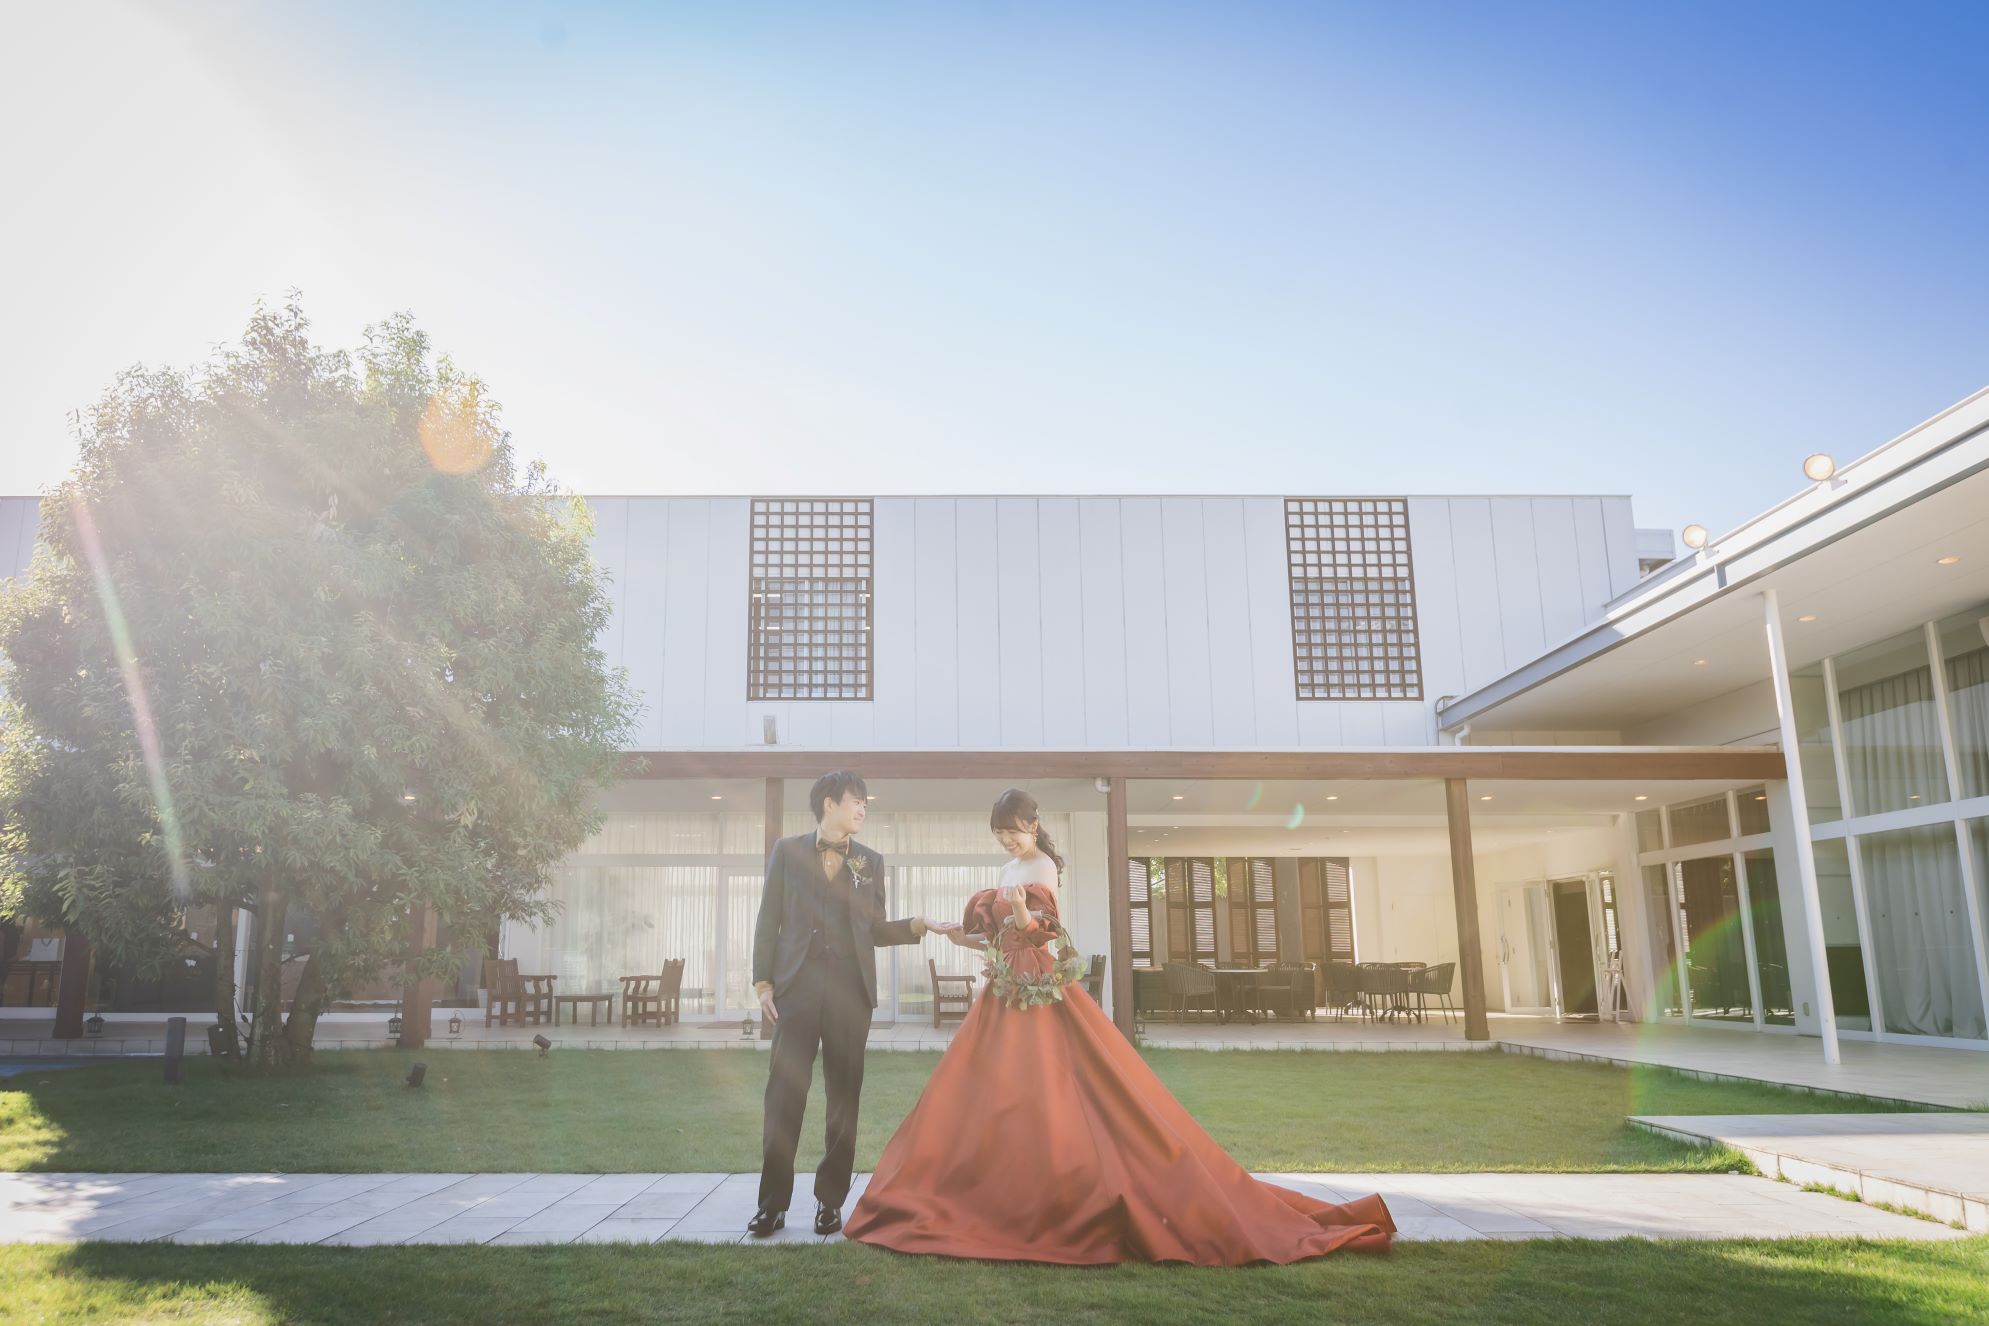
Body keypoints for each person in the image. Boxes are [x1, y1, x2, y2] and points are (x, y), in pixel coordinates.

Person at [843, 788, 1394, 1265]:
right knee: (987, 1093)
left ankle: (1057, 1188)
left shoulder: (1041, 868)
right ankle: (994, 1189)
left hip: (1037, 988)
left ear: (1033, 825)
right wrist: (952, 932)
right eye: (1000, 834)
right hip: (1005, 988)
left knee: (1058, 1087)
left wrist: (1020, 913)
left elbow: (1043, 934)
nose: (1007, 841)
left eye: (1013, 831)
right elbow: (999, 940)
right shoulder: (1010, 871)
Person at [747, 769, 959, 1238]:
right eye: (856, 800)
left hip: (850, 994)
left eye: (866, 802)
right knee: (783, 1097)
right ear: (829, 803)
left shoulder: (870, 861)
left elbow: (874, 929)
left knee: (844, 1099)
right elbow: (768, 920)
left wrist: (918, 925)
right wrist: (763, 983)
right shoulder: (786, 852)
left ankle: (830, 1202)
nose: (863, 808)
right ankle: (772, 1204)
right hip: (796, 991)